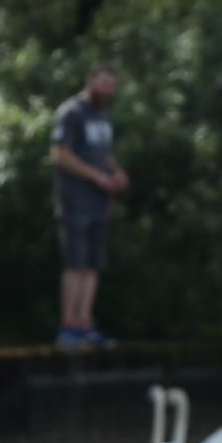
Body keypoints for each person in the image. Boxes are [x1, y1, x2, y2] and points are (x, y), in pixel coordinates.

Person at [49, 63, 129, 348]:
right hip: (75, 200)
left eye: (112, 87)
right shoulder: (71, 113)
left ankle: (85, 323)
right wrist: (96, 177)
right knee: (76, 262)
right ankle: (69, 326)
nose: (108, 91)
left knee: (94, 264)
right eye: (104, 85)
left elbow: (102, 154)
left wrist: (115, 172)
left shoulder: (103, 116)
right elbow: (60, 155)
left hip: (99, 203)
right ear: (91, 81)